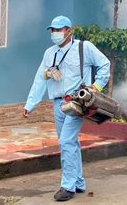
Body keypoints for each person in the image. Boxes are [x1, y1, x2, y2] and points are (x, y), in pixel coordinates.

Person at [22, 16, 110, 201]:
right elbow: (40, 79)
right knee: (70, 143)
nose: (55, 33)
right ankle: (78, 182)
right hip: (58, 103)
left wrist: (96, 87)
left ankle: (67, 186)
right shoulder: (49, 53)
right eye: (52, 30)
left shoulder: (84, 48)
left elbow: (104, 65)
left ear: (69, 31)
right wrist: (30, 105)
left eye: (58, 29)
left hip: (77, 103)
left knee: (66, 142)